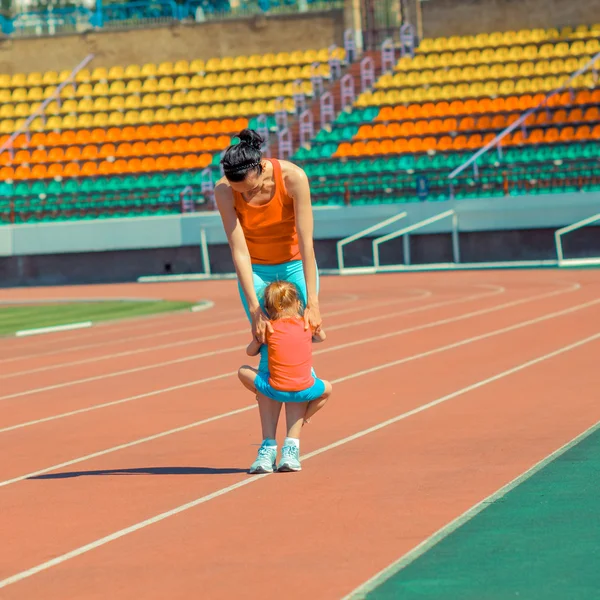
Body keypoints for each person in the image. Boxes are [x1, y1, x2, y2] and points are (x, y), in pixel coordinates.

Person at [214, 128, 323, 472]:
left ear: (260, 168)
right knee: (267, 356)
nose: (243, 197)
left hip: (293, 266)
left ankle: (292, 446)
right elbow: (239, 251)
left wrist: (314, 301)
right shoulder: (225, 191)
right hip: (256, 270)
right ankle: (267, 446)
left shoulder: (293, 178)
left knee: (294, 354)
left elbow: (307, 244)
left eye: (248, 189)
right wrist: (256, 309)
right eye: (237, 192)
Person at [238, 280, 332, 473]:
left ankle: (268, 446)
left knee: (243, 371)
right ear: (298, 304)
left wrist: (257, 340)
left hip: (273, 389)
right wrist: (315, 326)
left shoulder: (268, 328)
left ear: (267, 309)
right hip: (303, 390)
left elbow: (250, 352)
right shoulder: (306, 324)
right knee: (327, 390)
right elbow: (322, 338)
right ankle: (300, 427)